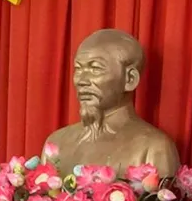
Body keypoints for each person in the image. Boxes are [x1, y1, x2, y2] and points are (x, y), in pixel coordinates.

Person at [44, 29, 180, 176]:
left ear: (130, 79)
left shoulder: (154, 148)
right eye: (78, 69)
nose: (81, 81)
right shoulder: (56, 144)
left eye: (95, 69)